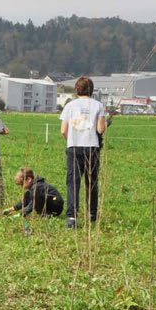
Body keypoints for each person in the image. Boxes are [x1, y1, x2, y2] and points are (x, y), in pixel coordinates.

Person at [59, 75, 108, 227]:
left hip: (74, 147)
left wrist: (71, 140)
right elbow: (100, 129)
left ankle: (72, 217)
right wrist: (107, 123)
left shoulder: (69, 106)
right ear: (91, 90)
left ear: (77, 89)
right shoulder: (98, 106)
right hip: (92, 148)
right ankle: (92, 214)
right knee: (91, 182)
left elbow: (63, 130)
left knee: (73, 182)